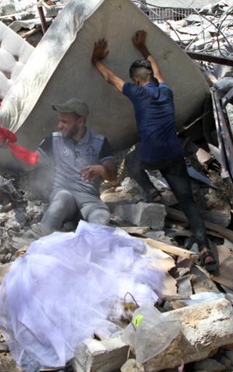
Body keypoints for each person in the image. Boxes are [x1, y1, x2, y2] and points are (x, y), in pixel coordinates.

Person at [91, 31, 217, 271]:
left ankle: (151, 192)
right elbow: (157, 70)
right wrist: (142, 46)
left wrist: (96, 59)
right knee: (187, 201)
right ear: (149, 77)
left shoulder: (136, 93)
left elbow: (109, 77)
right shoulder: (166, 91)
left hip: (150, 157)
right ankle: (205, 248)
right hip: (174, 156)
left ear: (136, 80)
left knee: (130, 160)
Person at [34, 98, 117, 235]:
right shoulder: (54, 140)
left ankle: (90, 248)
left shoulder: (100, 142)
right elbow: (30, 161)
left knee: (101, 215)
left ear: (80, 122)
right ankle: (39, 239)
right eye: (59, 121)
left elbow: (113, 176)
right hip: (63, 195)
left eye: (64, 122)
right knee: (63, 199)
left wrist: (101, 170)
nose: (59, 125)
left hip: (89, 200)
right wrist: (9, 145)